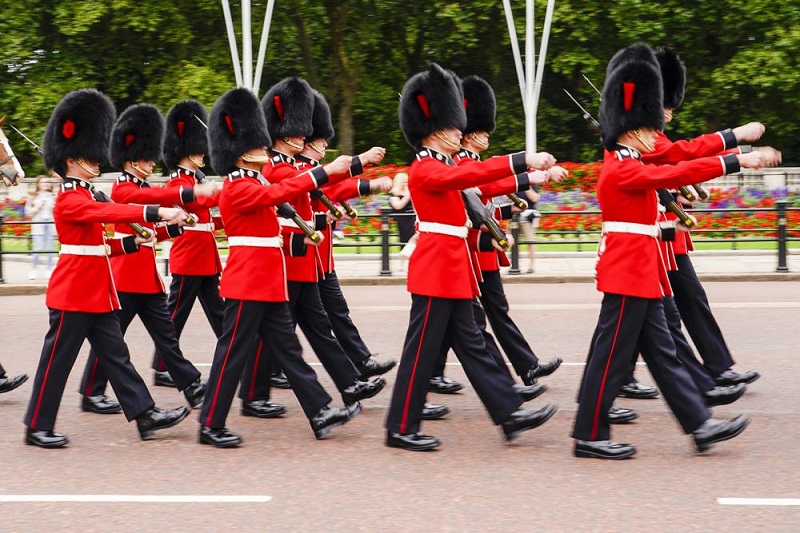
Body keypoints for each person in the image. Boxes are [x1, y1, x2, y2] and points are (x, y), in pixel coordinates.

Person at [571, 44, 771, 460]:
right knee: (610, 358)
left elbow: (674, 160)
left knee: (663, 352)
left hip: (641, 268)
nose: (654, 134)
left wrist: (731, 149)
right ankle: (590, 432)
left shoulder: (631, 158)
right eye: (648, 128)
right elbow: (678, 168)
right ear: (632, 128)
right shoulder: (622, 166)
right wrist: (736, 161)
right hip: (628, 270)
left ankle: (700, 424)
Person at [385, 63, 558, 451]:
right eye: (452, 126)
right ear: (432, 129)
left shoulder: (446, 162)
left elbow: (483, 180)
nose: (459, 132)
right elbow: (464, 179)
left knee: (474, 345)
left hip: (453, 268)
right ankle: (400, 426)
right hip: (435, 268)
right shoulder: (425, 168)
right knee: (420, 352)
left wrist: (526, 177)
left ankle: (509, 414)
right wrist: (523, 159)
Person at [24, 88, 191, 448]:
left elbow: (100, 246)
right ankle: (37, 426)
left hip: (97, 294)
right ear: (73, 159)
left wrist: (134, 242)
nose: (98, 161)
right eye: (90, 155)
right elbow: (108, 213)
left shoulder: (83, 194)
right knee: (57, 363)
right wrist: (156, 212)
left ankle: (145, 415)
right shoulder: (70, 198)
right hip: (73, 295)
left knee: (118, 357)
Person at [198, 87, 359, 447]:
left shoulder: (255, 179)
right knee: (231, 355)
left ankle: (320, 411)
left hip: (268, 280)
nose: (263, 147)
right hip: (247, 281)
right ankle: (210, 424)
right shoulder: (237, 186)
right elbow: (277, 193)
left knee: (289, 350)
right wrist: (323, 172)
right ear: (240, 153)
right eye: (256, 144)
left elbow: (282, 189)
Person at [238, 77, 386, 415]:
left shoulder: (290, 165)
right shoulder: (274, 168)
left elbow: (325, 180)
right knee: (276, 333)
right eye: (299, 132)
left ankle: (349, 384)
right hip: (287, 258)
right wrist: (354, 165)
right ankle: (252, 396)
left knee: (318, 327)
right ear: (284, 133)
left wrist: (359, 166)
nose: (305, 137)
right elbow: (303, 185)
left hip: (303, 258)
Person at [78, 103, 215, 415]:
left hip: (146, 277)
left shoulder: (138, 186)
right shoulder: (123, 190)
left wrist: (173, 228)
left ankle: (191, 385)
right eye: (146, 156)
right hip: (126, 276)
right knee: (111, 339)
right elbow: (153, 200)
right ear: (131, 158)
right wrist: (187, 197)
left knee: (166, 335)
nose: (152, 162)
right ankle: (91, 391)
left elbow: (152, 233)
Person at [152, 100, 225, 388]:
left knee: (221, 315)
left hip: (206, 257)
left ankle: (237, 360)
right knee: (174, 316)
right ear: (188, 153)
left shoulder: (194, 180)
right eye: (199, 150)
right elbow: (202, 200)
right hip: (189, 258)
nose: (204, 155)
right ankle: (161, 366)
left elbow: (208, 221)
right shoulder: (177, 186)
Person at [26, 175, 56, 280]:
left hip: (50, 224)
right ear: (38, 184)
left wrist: (53, 207)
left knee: (50, 249)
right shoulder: (33, 197)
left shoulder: (53, 196)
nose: (46, 184)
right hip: (38, 225)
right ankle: (33, 270)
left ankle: (49, 270)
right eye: (43, 182)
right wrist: (37, 207)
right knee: (36, 250)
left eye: (47, 182)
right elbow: (28, 212)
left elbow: (58, 212)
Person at [388, 172, 416, 271]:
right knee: (405, 239)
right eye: (403, 181)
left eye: (406, 180)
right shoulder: (394, 193)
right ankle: (402, 264)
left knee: (414, 239)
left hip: (412, 217)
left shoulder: (409, 191)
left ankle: (412, 261)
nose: (405, 182)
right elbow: (398, 206)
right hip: (403, 219)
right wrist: (408, 195)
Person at [518, 186, 541, 273]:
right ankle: (515, 265)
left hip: (528, 216)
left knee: (530, 241)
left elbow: (534, 198)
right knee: (514, 241)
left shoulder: (532, 184)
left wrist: (525, 185)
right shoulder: (516, 184)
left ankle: (531, 266)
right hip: (516, 215)